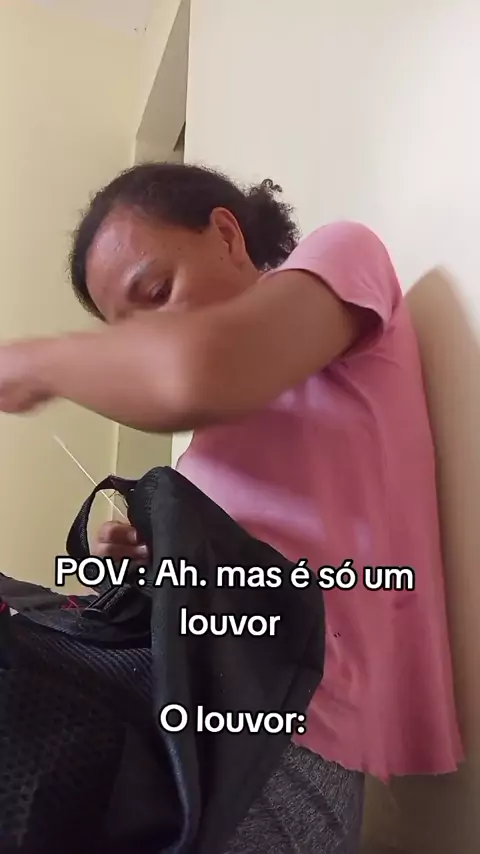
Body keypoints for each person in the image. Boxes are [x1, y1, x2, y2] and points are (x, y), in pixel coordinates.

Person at [0, 163, 462, 852]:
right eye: (131, 333)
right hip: (194, 719)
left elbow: (200, 371)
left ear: (226, 234)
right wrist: (145, 565)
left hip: (277, 742)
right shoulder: (203, 457)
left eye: (157, 292)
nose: (153, 339)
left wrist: (37, 361)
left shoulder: (342, 257)